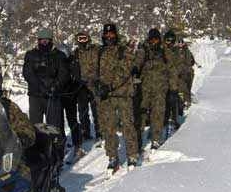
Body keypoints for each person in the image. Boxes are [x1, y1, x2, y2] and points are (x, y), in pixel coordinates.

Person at [94, 23, 139, 173]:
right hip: (107, 97)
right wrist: (97, 85)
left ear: (116, 34)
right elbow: (96, 72)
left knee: (128, 125)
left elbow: (125, 70)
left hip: (123, 94)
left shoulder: (123, 49)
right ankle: (112, 156)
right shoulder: (100, 51)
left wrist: (110, 86)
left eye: (111, 34)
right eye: (106, 35)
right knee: (109, 128)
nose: (109, 37)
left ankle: (132, 155)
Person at [23, 28, 69, 132]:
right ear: (38, 41)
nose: (44, 42)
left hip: (52, 95)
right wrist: (40, 87)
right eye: (41, 40)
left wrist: (55, 86)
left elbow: (64, 74)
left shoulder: (59, 55)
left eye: (46, 40)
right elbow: (28, 73)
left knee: (54, 127)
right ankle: (38, 147)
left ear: (51, 40)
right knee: (35, 126)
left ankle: (56, 146)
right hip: (36, 96)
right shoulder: (31, 55)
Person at [135, 28, 170, 149]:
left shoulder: (164, 51)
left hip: (160, 89)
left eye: (156, 39)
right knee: (141, 114)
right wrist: (135, 69)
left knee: (158, 113)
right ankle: (138, 140)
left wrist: (172, 86)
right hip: (145, 88)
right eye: (152, 39)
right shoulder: (144, 50)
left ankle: (156, 138)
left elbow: (171, 67)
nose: (154, 42)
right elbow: (137, 62)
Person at [72, 31, 101, 141]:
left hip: (95, 83)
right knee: (83, 111)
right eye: (80, 39)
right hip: (82, 86)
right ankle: (85, 132)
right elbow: (73, 68)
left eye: (84, 38)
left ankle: (100, 131)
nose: (82, 41)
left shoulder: (96, 50)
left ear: (88, 39)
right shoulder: (75, 53)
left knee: (97, 110)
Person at [57, 43, 83, 158]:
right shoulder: (56, 62)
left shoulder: (72, 62)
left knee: (72, 119)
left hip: (70, 95)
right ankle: (62, 143)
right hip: (59, 95)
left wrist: (74, 91)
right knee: (59, 122)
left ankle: (77, 144)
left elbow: (77, 77)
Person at [163, 29, 185, 127]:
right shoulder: (161, 50)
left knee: (173, 102)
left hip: (173, 82)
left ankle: (174, 120)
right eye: (168, 40)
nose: (170, 42)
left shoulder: (176, 52)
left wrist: (175, 72)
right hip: (161, 82)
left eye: (172, 40)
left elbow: (180, 65)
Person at [177, 36, 196, 106]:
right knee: (182, 88)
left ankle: (187, 101)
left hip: (188, 72)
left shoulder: (187, 51)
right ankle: (184, 102)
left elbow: (192, 61)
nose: (180, 44)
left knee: (188, 87)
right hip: (180, 73)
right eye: (179, 42)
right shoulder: (175, 51)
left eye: (181, 42)